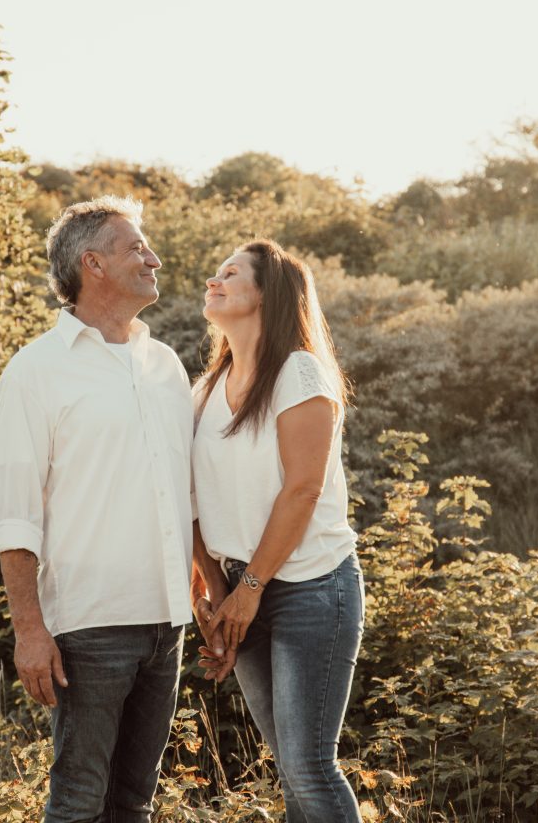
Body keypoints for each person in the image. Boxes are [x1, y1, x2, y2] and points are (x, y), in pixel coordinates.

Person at [0, 195, 194, 823]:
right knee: (79, 798)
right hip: (90, 624)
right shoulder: (36, 370)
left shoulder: (165, 365)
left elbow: (184, 498)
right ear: (92, 264)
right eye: (136, 247)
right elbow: (15, 513)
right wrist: (29, 628)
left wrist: (203, 591)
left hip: (168, 620)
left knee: (134, 802)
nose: (153, 258)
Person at [191, 238, 364, 823]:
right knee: (289, 767)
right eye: (216, 272)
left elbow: (302, 491)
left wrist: (250, 589)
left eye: (231, 272)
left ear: (267, 293)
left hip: (311, 587)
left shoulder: (299, 371)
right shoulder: (206, 390)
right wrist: (216, 590)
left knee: (311, 766)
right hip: (244, 590)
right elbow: (189, 503)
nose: (214, 280)